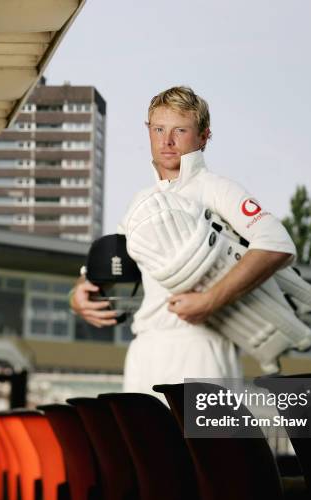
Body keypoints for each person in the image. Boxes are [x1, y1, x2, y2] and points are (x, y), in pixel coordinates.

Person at [70, 86, 297, 398]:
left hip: (202, 348)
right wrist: (80, 292)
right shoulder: (142, 201)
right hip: (146, 348)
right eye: (159, 129)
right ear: (148, 131)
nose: (167, 141)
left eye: (180, 130)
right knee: (143, 449)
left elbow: (276, 243)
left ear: (203, 136)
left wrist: (210, 301)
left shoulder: (218, 190)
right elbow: (113, 266)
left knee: (202, 449)